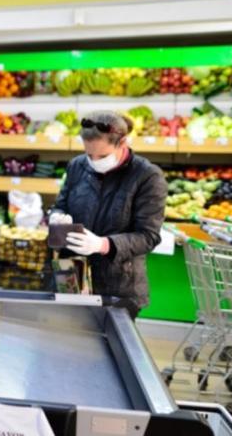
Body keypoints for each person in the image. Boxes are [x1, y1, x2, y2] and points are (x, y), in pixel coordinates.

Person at [50, 111, 167, 319]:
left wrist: (103, 245)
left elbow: (149, 236)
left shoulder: (148, 177)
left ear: (123, 142)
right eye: (89, 154)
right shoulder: (77, 166)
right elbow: (61, 204)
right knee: (68, 341)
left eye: (102, 156)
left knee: (109, 343)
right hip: (73, 276)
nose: (94, 161)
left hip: (119, 284)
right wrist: (57, 216)